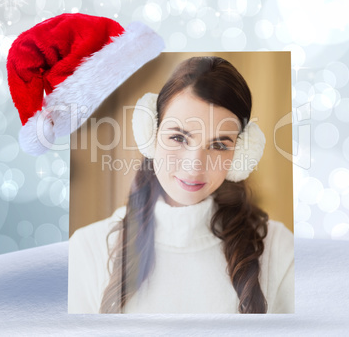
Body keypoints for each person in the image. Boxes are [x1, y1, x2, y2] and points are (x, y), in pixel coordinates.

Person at [68, 56, 294, 314]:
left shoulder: (279, 249)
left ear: (241, 155)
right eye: (178, 137)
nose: (194, 165)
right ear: (150, 134)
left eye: (219, 145)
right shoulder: (88, 249)